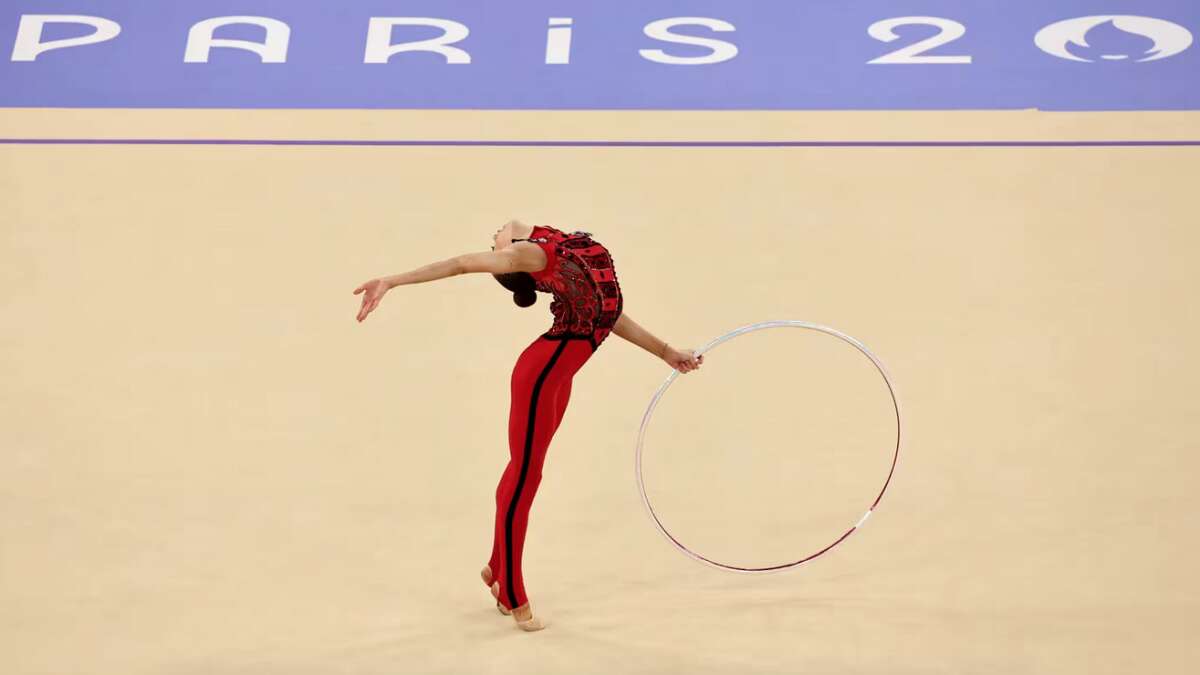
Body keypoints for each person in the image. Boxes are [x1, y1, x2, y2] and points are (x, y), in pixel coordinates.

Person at [353, 219, 703, 631]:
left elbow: (608, 313)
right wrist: (392, 281)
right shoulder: (532, 254)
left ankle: (495, 566)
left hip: (558, 379)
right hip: (540, 376)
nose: (497, 230)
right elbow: (462, 263)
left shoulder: (557, 243)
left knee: (527, 471)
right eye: (496, 241)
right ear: (510, 260)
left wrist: (665, 351)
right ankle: (511, 591)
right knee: (524, 477)